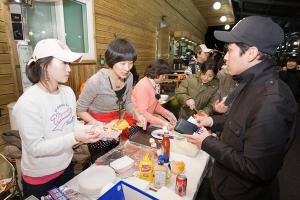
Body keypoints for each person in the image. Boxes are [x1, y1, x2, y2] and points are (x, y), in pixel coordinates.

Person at [186, 16, 297, 200]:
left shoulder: (272, 101)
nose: (226, 57)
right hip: (225, 184)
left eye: (230, 50)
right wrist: (211, 120)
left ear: (252, 53)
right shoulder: (249, 84)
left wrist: (207, 142)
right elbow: (240, 123)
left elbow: (256, 169)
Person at [12, 39, 102, 198]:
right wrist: (74, 137)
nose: (69, 69)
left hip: (66, 168)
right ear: (44, 65)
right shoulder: (28, 103)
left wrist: (91, 129)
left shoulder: (67, 92)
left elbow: (71, 124)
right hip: (40, 179)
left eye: (70, 64)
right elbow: (35, 148)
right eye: (64, 63)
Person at [76, 38, 145, 163]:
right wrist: (101, 126)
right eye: (123, 64)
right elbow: (79, 109)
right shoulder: (96, 81)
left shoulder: (129, 77)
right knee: (100, 162)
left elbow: (128, 103)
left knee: (115, 159)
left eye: (130, 63)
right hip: (97, 126)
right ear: (112, 61)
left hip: (115, 126)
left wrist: (137, 114)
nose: (127, 68)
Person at [131, 59, 177, 129]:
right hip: (137, 123)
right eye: (163, 75)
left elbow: (155, 105)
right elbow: (142, 112)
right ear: (156, 73)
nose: (164, 78)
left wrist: (168, 114)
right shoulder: (143, 86)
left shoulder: (156, 84)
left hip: (147, 121)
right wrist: (164, 123)